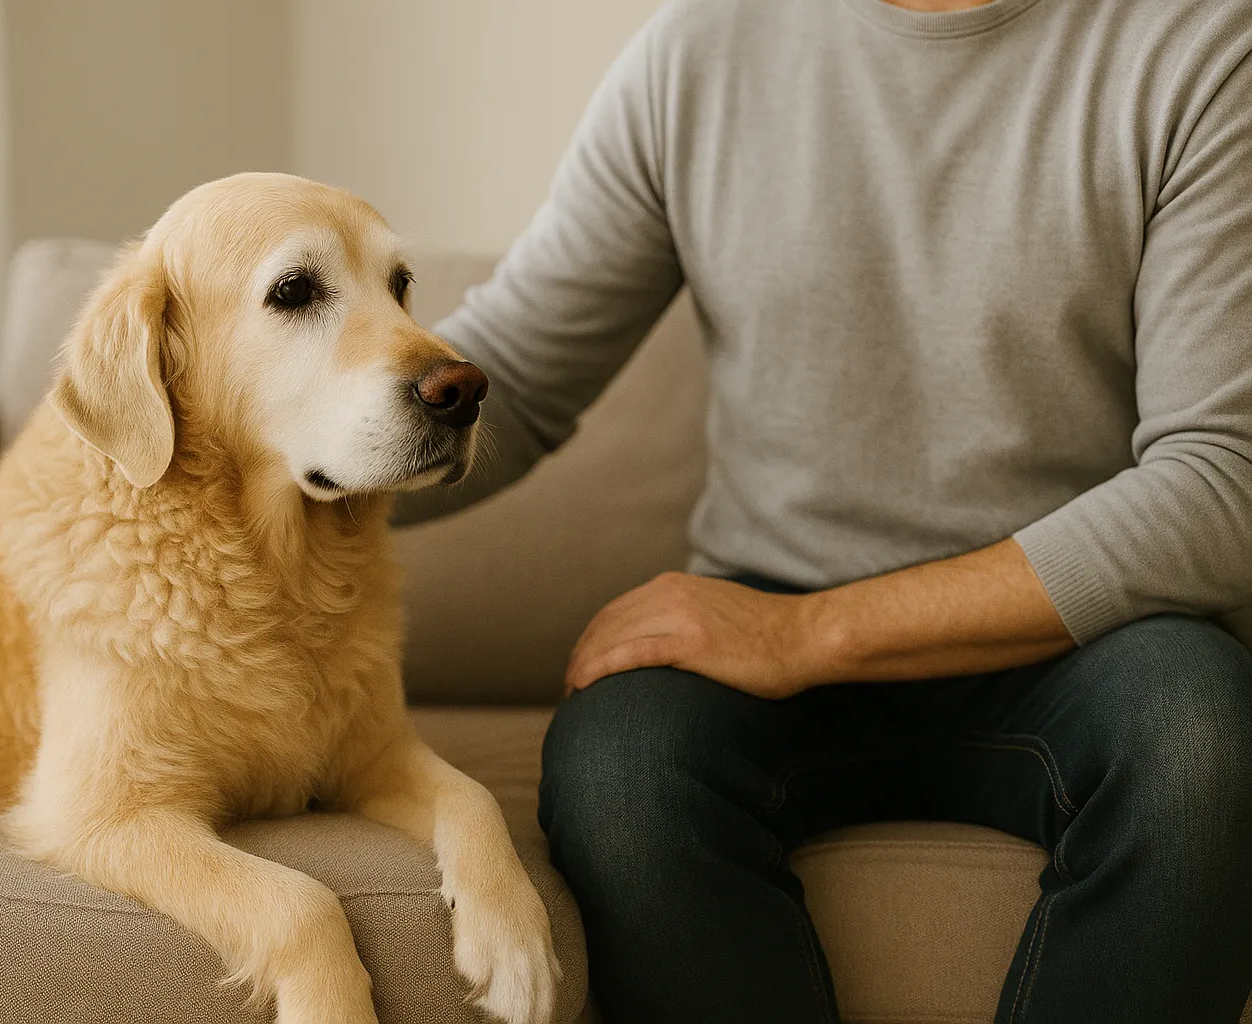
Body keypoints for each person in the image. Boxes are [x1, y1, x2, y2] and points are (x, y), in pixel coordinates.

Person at [395, 0, 1252, 1020]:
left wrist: (811, 632)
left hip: (1080, 634)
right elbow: (518, 380)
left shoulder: (1202, 45)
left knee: (1202, 738)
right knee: (621, 768)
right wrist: (230, 466)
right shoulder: (701, 51)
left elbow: (1218, 479)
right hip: (766, 623)